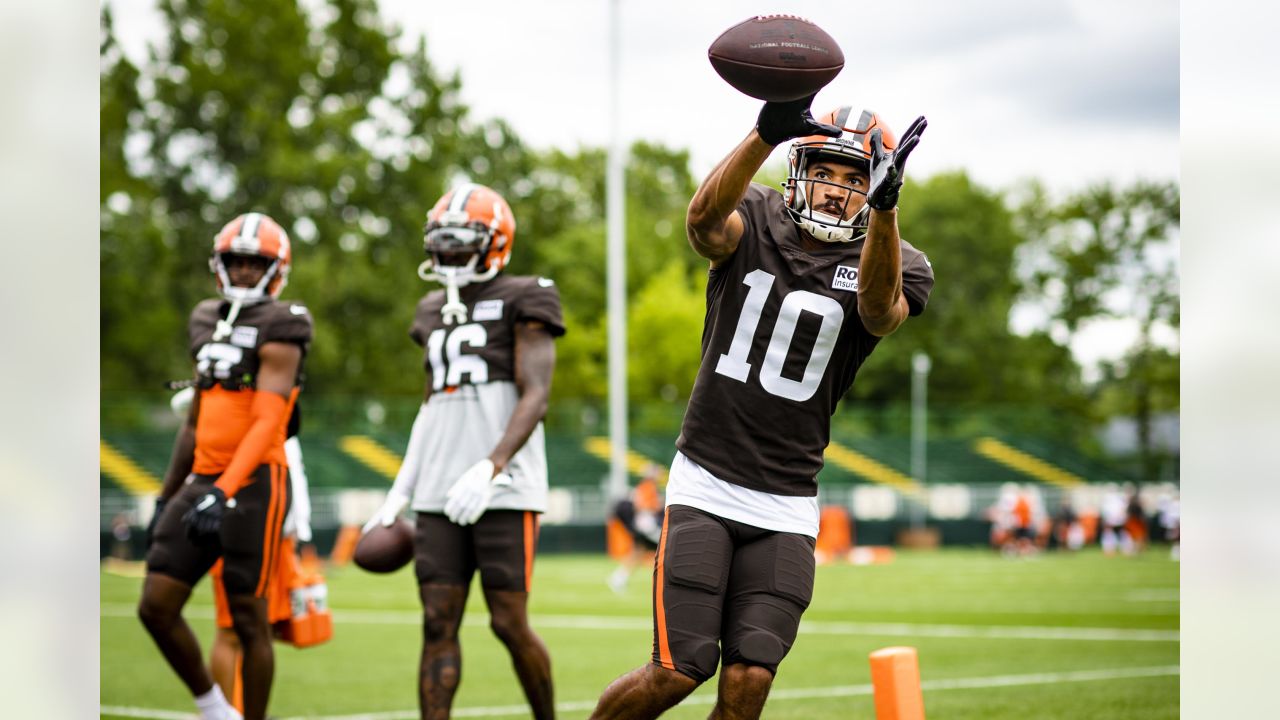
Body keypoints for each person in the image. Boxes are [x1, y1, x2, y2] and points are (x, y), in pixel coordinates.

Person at [589, 95, 933, 720]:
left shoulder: (895, 259)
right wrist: (761, 135)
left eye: (856, 179)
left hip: (788, 502)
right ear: (798, 167)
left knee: (750, 680)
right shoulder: (755, 213)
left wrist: (886, 209)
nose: (835, 189)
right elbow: (701, 226)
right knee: (677, 668)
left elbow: (880, 312)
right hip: (707, 481)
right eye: (824, 171)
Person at [363, 183, 565, 720]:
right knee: (437, 622)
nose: (448, 253)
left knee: (508, 622)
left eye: (461, 241)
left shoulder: (528, 293)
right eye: (442, 241)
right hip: (436, 490)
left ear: (494, 243)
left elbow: (536, 395)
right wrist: (401, 488)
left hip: (504, 487)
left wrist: (491, 466)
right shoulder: (431, 308)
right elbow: (430, 406)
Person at [139, 213, 312, 720]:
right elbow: (194, 420)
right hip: (204, 478)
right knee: (155, 605)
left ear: (275, 270)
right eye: (234, 261)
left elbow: (267, 422)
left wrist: (226, 488)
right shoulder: (205, 317)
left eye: (252, 262)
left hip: (257, 482)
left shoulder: (286, 322)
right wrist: (168, 495)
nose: (241, 271)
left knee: (247, 620)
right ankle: (217, 710)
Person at [169, 386, 326, 715]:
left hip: (273, 533)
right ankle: (223, 711)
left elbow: (293, 478)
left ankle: (239, 708)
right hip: (238, 522)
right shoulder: (241, 430)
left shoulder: (273, 426)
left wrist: (298, 529)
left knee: (258, 629)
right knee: (231, 631)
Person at [607, 465, 666, 594]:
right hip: (646, 525)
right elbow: (643, 507)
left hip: (645, 524)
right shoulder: (647, 487)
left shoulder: (648, 487)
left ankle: (618, 578)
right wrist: (657, 505)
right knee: (666, 547)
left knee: (638, 553)